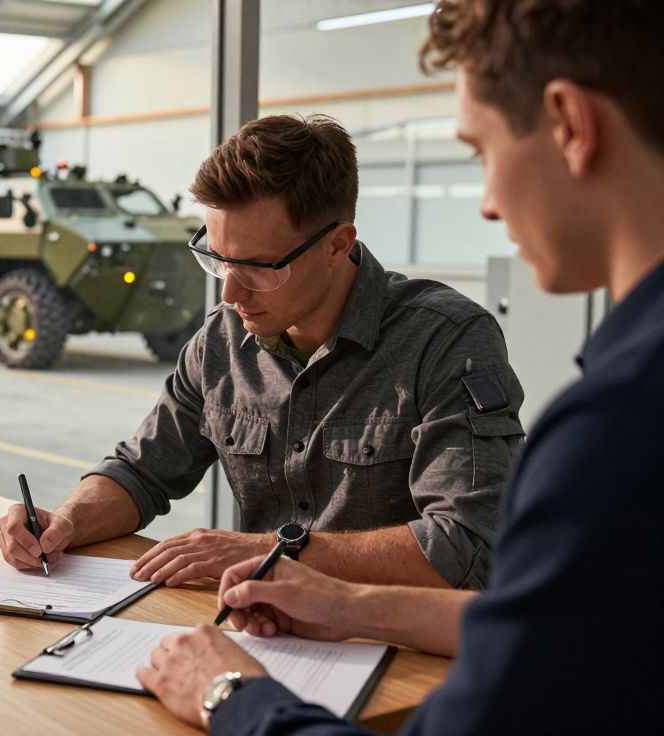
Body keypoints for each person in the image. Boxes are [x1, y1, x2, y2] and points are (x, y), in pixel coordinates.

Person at [138, 1, 664, 733]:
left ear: (569, 124)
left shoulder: (618, 426)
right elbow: (568, 633)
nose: (484, 204)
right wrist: (347, 602)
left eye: (479, 152)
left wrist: (231, 694)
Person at [0, 114, 524, 591]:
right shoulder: (222, 341)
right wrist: (65, 521)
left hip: (400, 648)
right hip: (264, 630)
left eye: (257, 267)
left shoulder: (446, 340)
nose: (230, 293)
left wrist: (272, 552)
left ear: (338, 244)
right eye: (219, 259)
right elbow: (141, 472)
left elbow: (468, 546)